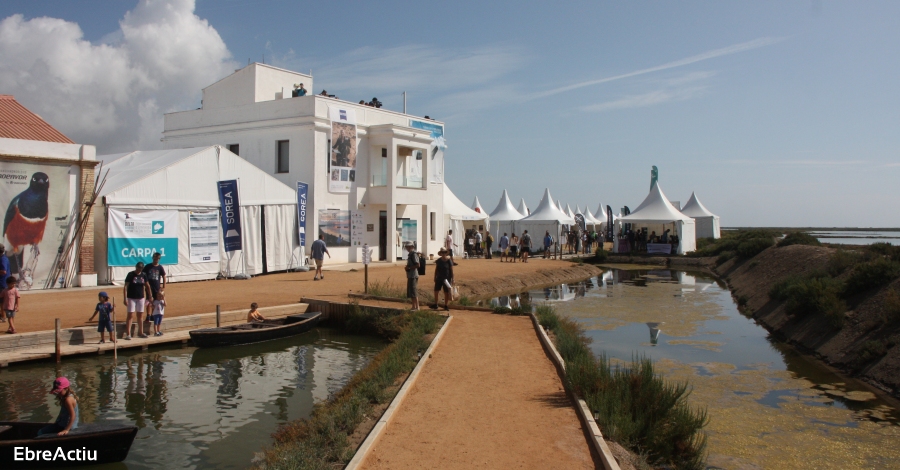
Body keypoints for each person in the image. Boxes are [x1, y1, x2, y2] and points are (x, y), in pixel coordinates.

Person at [123, 262, 152, 340]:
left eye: (141, 268)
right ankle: (128, 334)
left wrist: (150, 296)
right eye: (138, 268)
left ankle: (141, 332)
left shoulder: (144, 275)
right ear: (136, 267)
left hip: (141, 298)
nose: (139, 270)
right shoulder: (130, 274)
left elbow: (147, 286)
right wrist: (125, 298)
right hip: (131, 297)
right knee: (130, 315)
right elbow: (126, 287)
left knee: (140, 315)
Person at [404, 242, 420, 310]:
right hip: (410, 275)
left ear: (412, 247)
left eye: (409, 247)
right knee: (411, 291)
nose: (407, 248)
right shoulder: (410, 255)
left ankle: (417, 306)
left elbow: (418, 265)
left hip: (413, 275)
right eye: (407, 247)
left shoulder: (413, 254)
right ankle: (413, 306)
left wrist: (409, 268)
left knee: (414, 291)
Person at [0, 246, 8, 324]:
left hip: (2, 283)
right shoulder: (3, 258)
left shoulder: (3, 259)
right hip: (2, 282)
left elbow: (4, 271)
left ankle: (3, 316)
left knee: (1, 301)